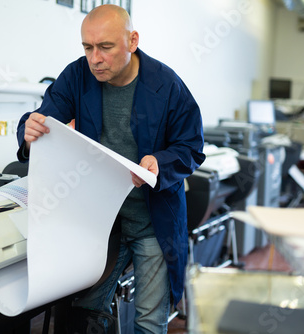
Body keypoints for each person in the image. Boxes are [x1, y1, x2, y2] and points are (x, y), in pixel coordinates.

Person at [16, 4, 205, 333]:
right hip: (100, 220)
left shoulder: (167, 85)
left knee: (149, 319)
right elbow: (44, 119)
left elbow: (191, 147)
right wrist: (30, 134)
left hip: (151, 220)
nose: (95, 59)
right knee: (84, 310)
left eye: (105, 47)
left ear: (132, 41)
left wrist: (160, 163)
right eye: (88, 48)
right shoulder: (76, 76)